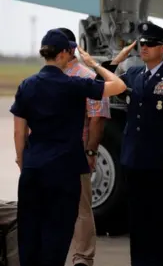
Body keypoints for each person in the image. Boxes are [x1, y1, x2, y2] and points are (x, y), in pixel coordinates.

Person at [10, 29, 126, 266]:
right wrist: (95, 65)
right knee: (58, 232)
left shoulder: (27, 85)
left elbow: (19, 132)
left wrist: (24, 163)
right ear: (63, 54)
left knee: (30, 233)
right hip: (65, 171)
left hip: (33, 169)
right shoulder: (75, 85)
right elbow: (119, 86)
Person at [100, 21, 163, 266]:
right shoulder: (132, 75)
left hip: (160, 161)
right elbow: (102, 78)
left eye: (150, 44)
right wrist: (116, 58)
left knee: (159, 220)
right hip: (133, 160)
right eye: (142, 44)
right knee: (138, 220)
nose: (144, 48)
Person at [58, 27, 111, 266]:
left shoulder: (40, 78)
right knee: (81, 208)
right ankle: (82, 257)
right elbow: (97, 117)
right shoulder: (89, 78)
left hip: (51, 153)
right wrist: (91, 151)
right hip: (75, 152)